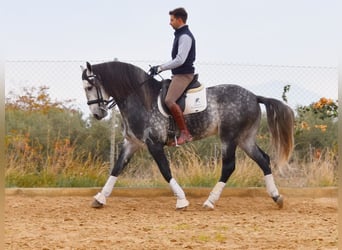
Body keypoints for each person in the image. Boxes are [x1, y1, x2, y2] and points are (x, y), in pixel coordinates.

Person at [150, 7, 196, 146]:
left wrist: (160, 67)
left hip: (184, 75)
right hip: (178, 74)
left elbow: (180, 59)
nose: (170, 23)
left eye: (172, 20)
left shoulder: (185, 36)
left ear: (179, 20)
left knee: (169, 100)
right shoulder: (179, 35)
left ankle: (185, 133)